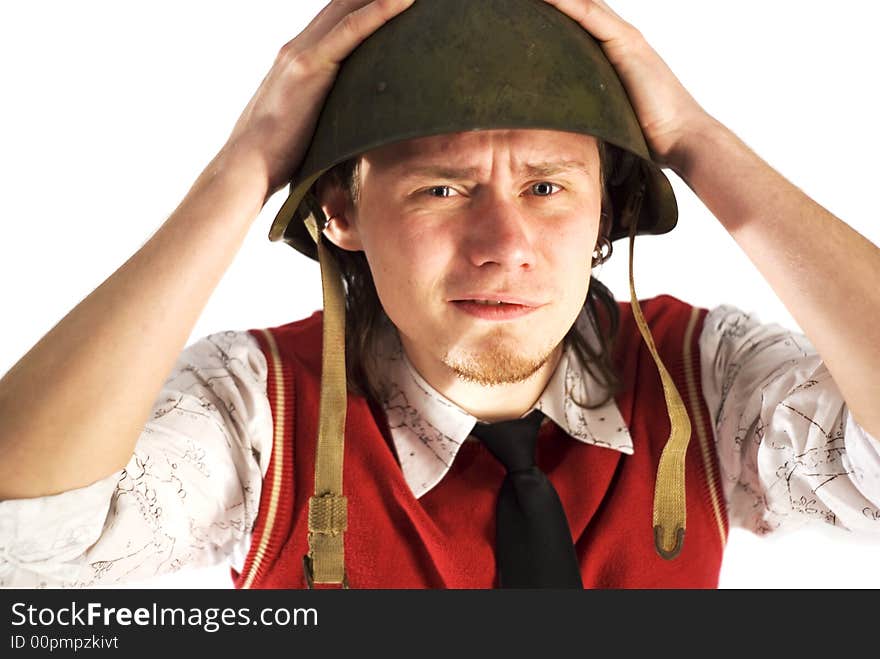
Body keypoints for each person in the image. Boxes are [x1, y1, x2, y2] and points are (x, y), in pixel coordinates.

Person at [1, 0, 878, 588]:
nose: (504, 248)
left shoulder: (704, 381)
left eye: (547, 188)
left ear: (606, 208)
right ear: (340, 210)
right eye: (442, 190)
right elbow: (29, 537)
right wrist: (245, 170)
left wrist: (694, 140)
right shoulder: (261, 412)